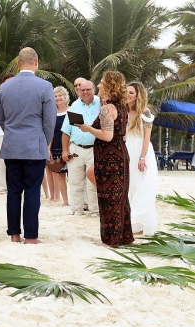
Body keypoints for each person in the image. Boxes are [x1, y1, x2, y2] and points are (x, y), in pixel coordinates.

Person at [0, 47, 56, 244]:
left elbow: (2, 119)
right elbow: (49, 121)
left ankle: (14, 234)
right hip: (34, 146)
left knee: (13, 190)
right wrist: (44, 140)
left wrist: (12, 133)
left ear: (18, 64)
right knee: (32, 191)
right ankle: (30, 236)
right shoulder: (45, 86)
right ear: (37, 62)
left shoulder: (4, 87)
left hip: (12, 145)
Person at [77, 71, 134, 247]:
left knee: (109, 197)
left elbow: (107, 136)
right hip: (120, 155)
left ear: (109, 86)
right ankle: (123, 236)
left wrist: (87, 128)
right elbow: (121, 136)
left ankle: (112, 239)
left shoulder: (106, 109)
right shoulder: (122, 107)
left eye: (102, 82)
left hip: (109, 157)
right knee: (120, 197)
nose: (99, 85)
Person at [61, 80, 101, 217]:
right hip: (76, 148)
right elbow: (66, 130)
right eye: (82, 90)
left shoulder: (102, 104)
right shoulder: (74, 106)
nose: (85, 92)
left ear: (94, 89)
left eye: (88, 89)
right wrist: (65, 150)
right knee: (75, 181)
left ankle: (94, 211)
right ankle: (77, 210)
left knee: (92, 183)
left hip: (95, 148)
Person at [126, 81, 158, 235]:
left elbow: (147, 136)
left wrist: (142, 157)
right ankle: (131, 222)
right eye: (126, 91)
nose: (127, 94)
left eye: (131, 92)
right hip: (126, 150)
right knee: (128, 186)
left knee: (139, 186)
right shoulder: (122, 110)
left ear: (138, 95)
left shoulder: (145, 112)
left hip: (140, 150)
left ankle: (140, 224)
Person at [48, 86, 69, 205]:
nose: (58, 98)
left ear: (65, 97)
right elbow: (50, 133)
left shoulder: (72, 110)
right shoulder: (52, 114)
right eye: (55, 96)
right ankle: (65, 201)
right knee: (60, 175)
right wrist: (48, 149)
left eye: (60, 95)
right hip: (56, 148)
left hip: (71, 148)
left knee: (75, 176)